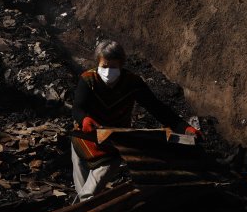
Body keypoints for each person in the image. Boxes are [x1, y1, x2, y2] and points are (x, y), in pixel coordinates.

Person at [71, 40, 203, 203]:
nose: (108, 71)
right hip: (85, 136)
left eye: (113, 67)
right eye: (104, 66)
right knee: (81, 184)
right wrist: (84, 119)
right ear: (97, 63)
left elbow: (158, 109)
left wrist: (185, 128)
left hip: (115, 138)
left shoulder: (132, 83)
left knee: (95, 184)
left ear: (121, 65)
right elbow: (78, 107)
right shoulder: (88, 80)